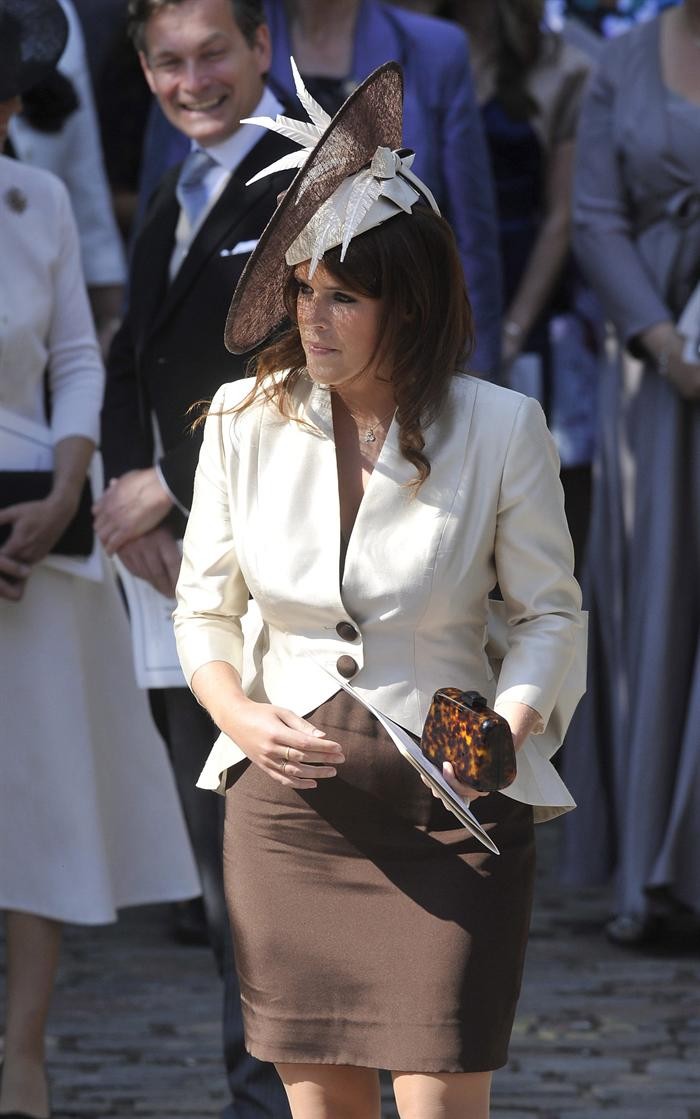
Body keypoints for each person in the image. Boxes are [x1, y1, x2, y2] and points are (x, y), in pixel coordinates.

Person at [173, 62, 586, 1119]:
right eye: (302, 291)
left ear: (408, 305)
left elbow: (549, 614)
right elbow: (204, 610)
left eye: (343, 297)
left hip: (455, 809)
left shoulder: (503, 427)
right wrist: (239, 718)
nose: (312, 320)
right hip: (288, 817)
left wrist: (509, 725)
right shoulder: (239, 420)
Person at [94, 1, 295, 1116]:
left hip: (288, 572)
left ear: (263, 46)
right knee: (224, 870)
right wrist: (135, 508)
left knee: (286, 860)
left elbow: (311, 357)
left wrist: (170, 481)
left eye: (213, 52)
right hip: (181, 578)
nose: (192, 81)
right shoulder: (172, 184)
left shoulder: (314, 171)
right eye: (167, 61)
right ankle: (256, 1094)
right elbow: (133, 355)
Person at [0, 4, 200, 1117]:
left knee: (37, 802)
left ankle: (23, 1057)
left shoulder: (37, 201)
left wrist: (69, 485)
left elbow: (81, 356)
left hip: (41, 528)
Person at [560, 0, 700, 945]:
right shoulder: (622, 62)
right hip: (656, 372)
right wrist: (664, 341)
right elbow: (596, 219)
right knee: (657, 595)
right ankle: (655, 874)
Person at [8, 0, 127, 355]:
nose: (12, 107)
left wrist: (112, 319)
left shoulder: (53, 15)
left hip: (44, 300)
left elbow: (84, 174)